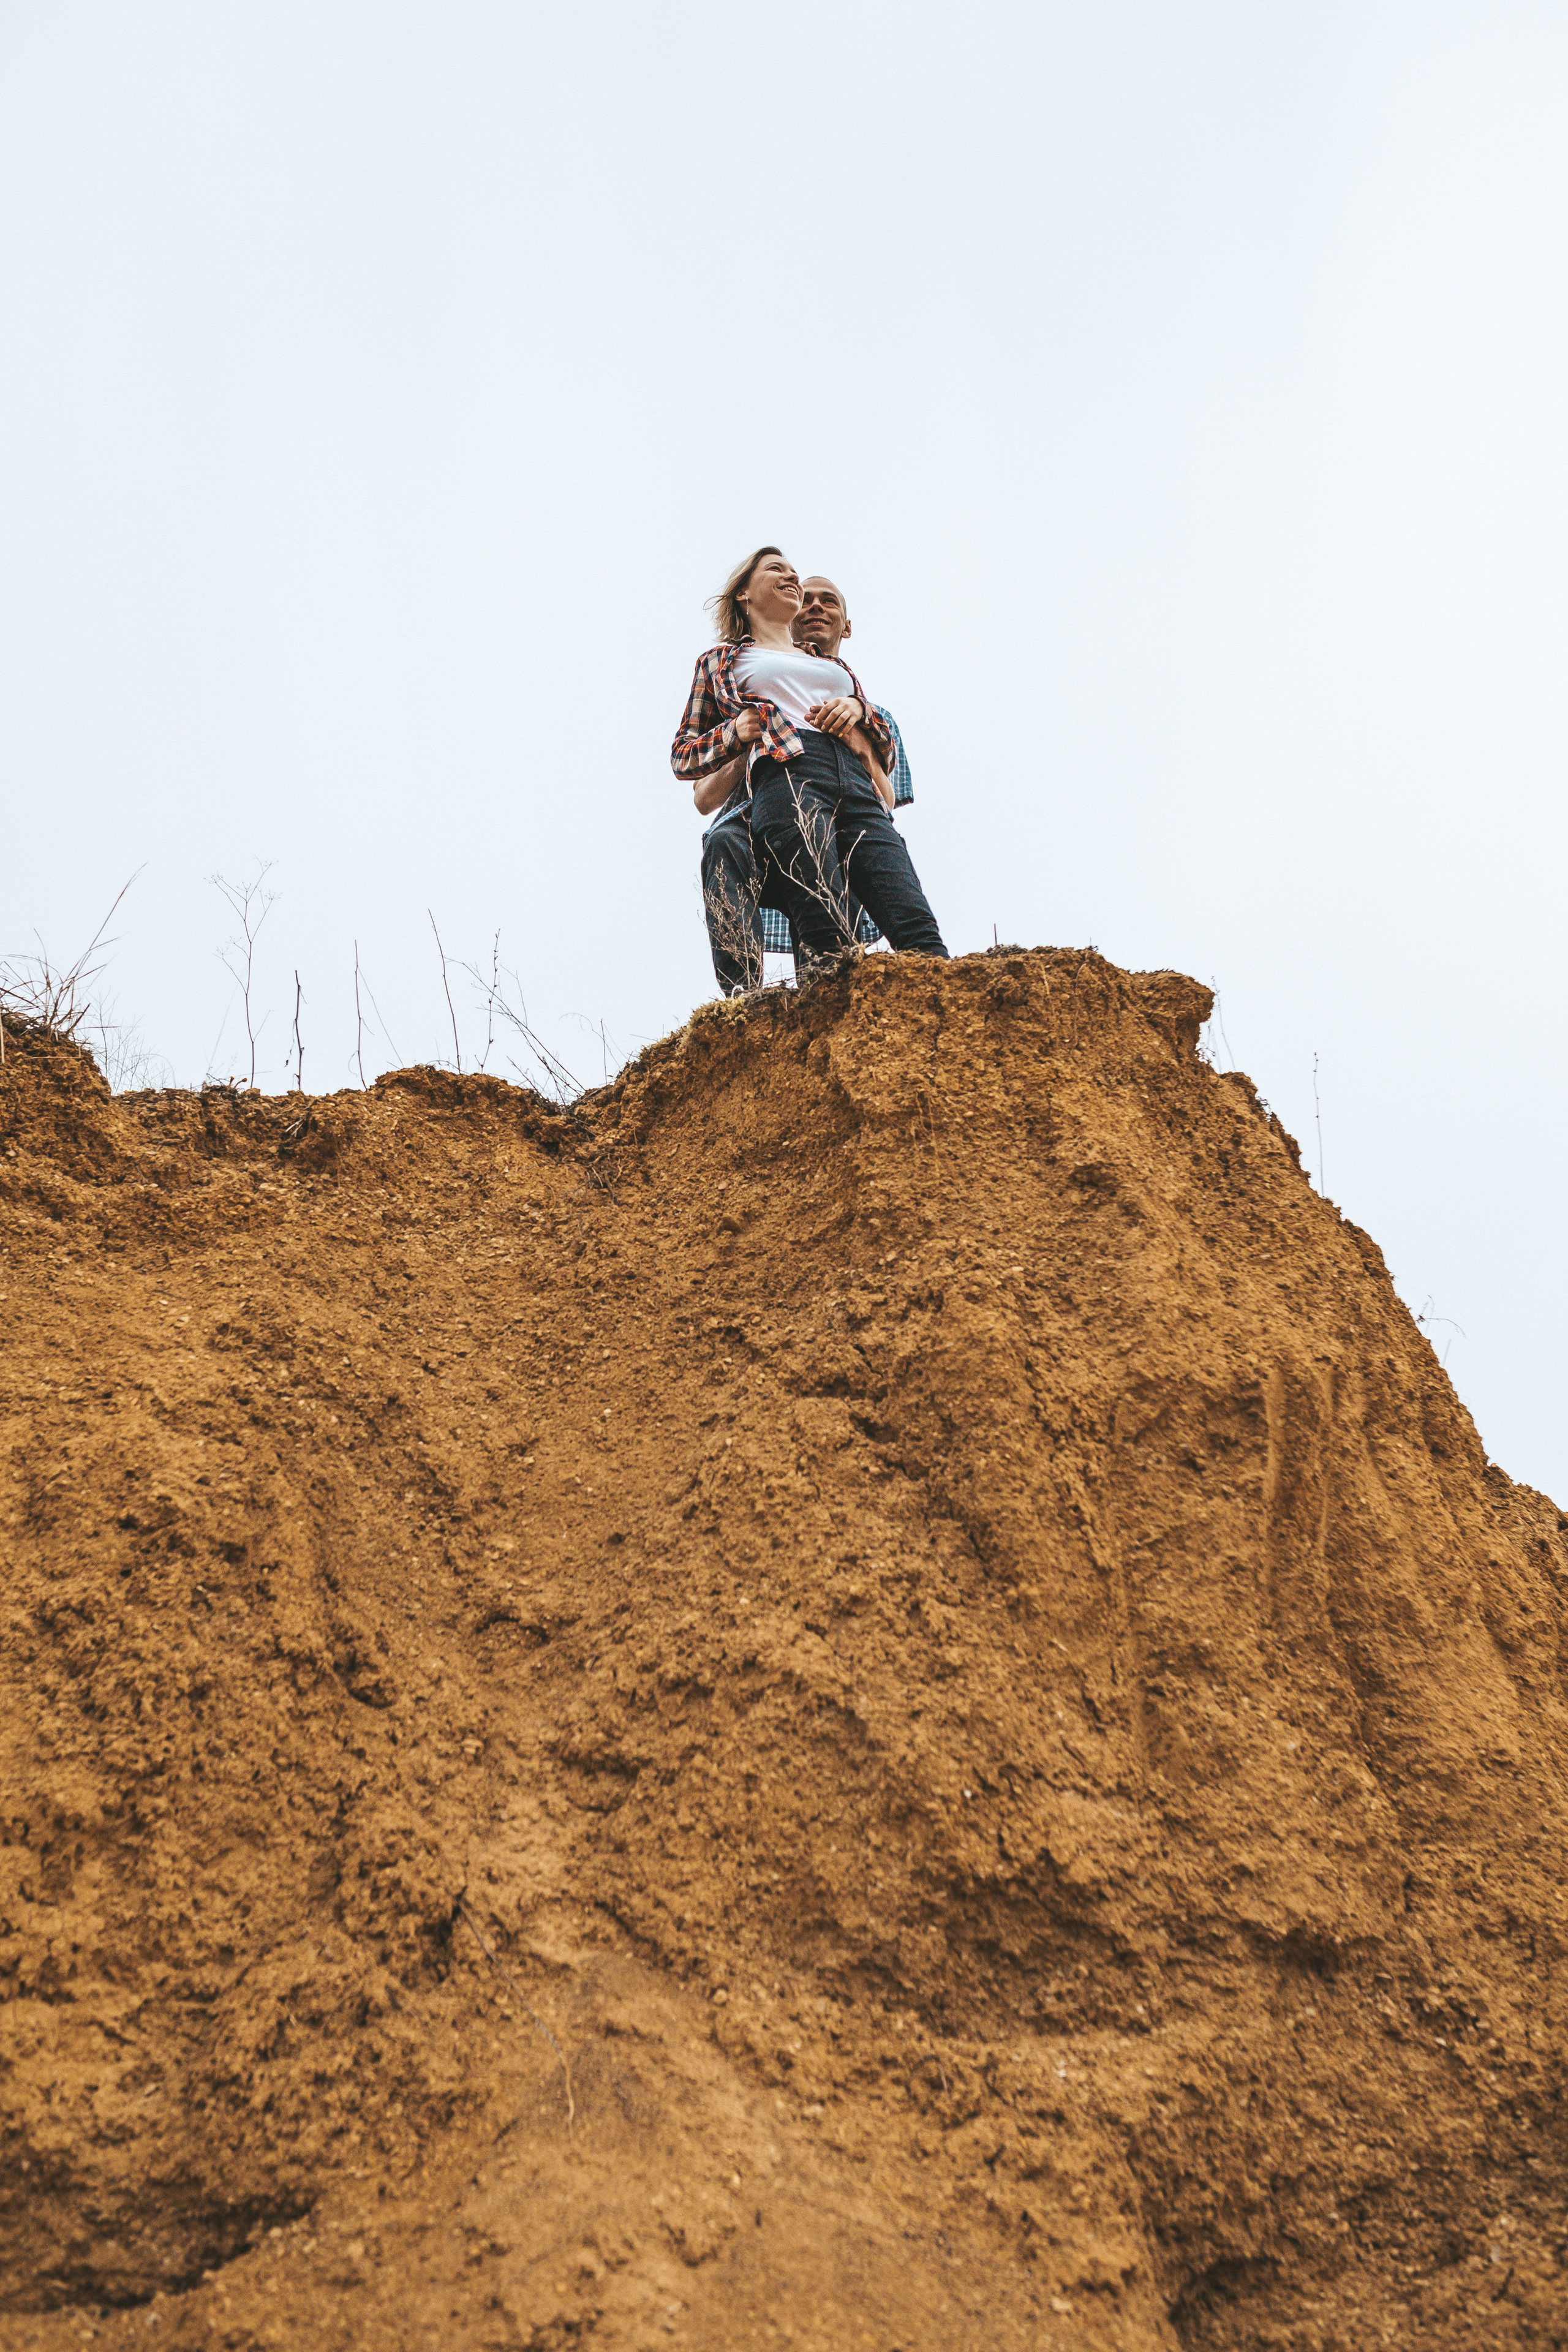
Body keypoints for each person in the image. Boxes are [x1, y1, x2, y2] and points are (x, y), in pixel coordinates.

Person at [671, 548, 947, 982]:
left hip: (855, 788)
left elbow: (887, 791)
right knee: (818, 917)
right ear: (745, 593)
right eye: (778, 570)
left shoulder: (839, 673)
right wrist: (739, 733)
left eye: (795, 574)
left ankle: (947, 1016)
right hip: (785, 775)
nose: (796, 582)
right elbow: (687, 763)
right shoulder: (723, 663)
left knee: (915, 924)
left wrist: (859, 717)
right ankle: (749, 1001)